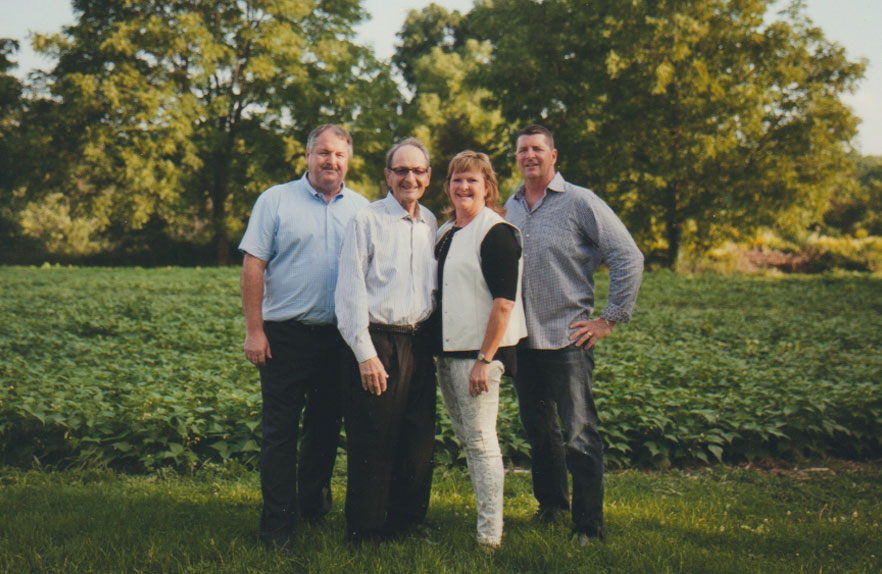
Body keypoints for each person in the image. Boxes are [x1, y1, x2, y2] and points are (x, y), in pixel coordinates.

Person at [505, 125, 643, 545]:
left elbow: (627, 256)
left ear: (554, 156)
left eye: (538, 149)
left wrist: (609, 318)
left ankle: (588, 526)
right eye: (523, 150)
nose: (530, 155)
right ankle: (551, 507)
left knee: (579, 433)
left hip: (567, 340)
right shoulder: (508, 206)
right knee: (539, 431)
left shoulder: (580, 202)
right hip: (521, 342)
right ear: (516, 157)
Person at [238, 124, 369, 549]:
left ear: (349, 161)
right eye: (323, 153)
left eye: (339, 155)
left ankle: (313, 505)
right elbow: (253, 265)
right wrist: (254, 331)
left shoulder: (363, 210)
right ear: (307, 156)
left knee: (326, 427)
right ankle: (276, 527)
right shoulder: (275, 200)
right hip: (284, 336)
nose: (331, 161)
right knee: (280, 432)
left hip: (338, 339)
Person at [335, 137, 438, 543]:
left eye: (417, 171)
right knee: (374, 439)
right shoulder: (367, 220)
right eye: (401, 170)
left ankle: (408, 523)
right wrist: (365, 354)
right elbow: (349, 292)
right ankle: (366, 529)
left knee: (417, 440)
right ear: (387, 176)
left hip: (418, 342)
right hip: (378, 341)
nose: (409, 177)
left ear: (428, 177)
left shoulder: (431, 222)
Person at [434, 151, 527, 550]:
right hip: (448, 352)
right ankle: (485, 523)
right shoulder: (445, 231)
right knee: (468, 438)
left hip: (479, 356)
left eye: (472, 180)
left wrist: (484, 361)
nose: (463, 187)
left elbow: (504, 303)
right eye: (457, 179)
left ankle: (490, 536)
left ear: (488, 187)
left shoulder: (497, 232)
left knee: (481, 441)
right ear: (448, 186)